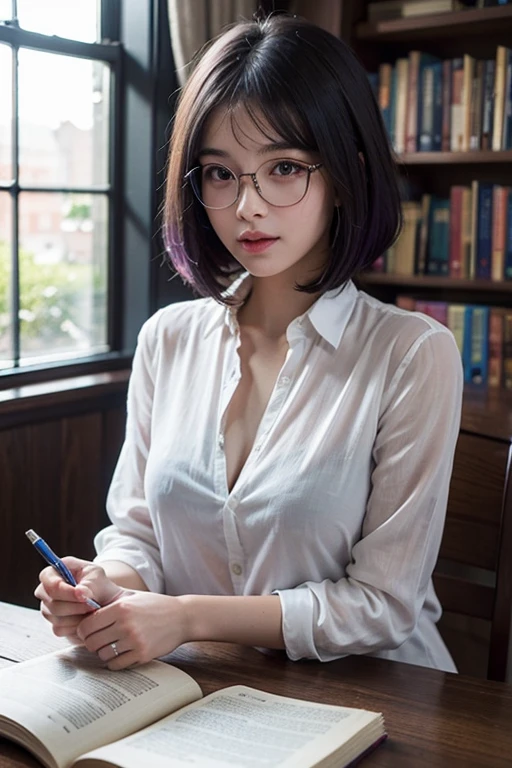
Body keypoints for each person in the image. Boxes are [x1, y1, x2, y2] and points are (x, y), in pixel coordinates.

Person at [35, 13, 463, 673]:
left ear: (345, 174)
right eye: (220, 174)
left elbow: (384, 604)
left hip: (378, 700)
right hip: (205, 685)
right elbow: (139, 531)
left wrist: (185, 615)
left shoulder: (412, 355)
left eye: (284, 167)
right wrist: (107, 584)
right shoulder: (168, 339)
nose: (247, 207)